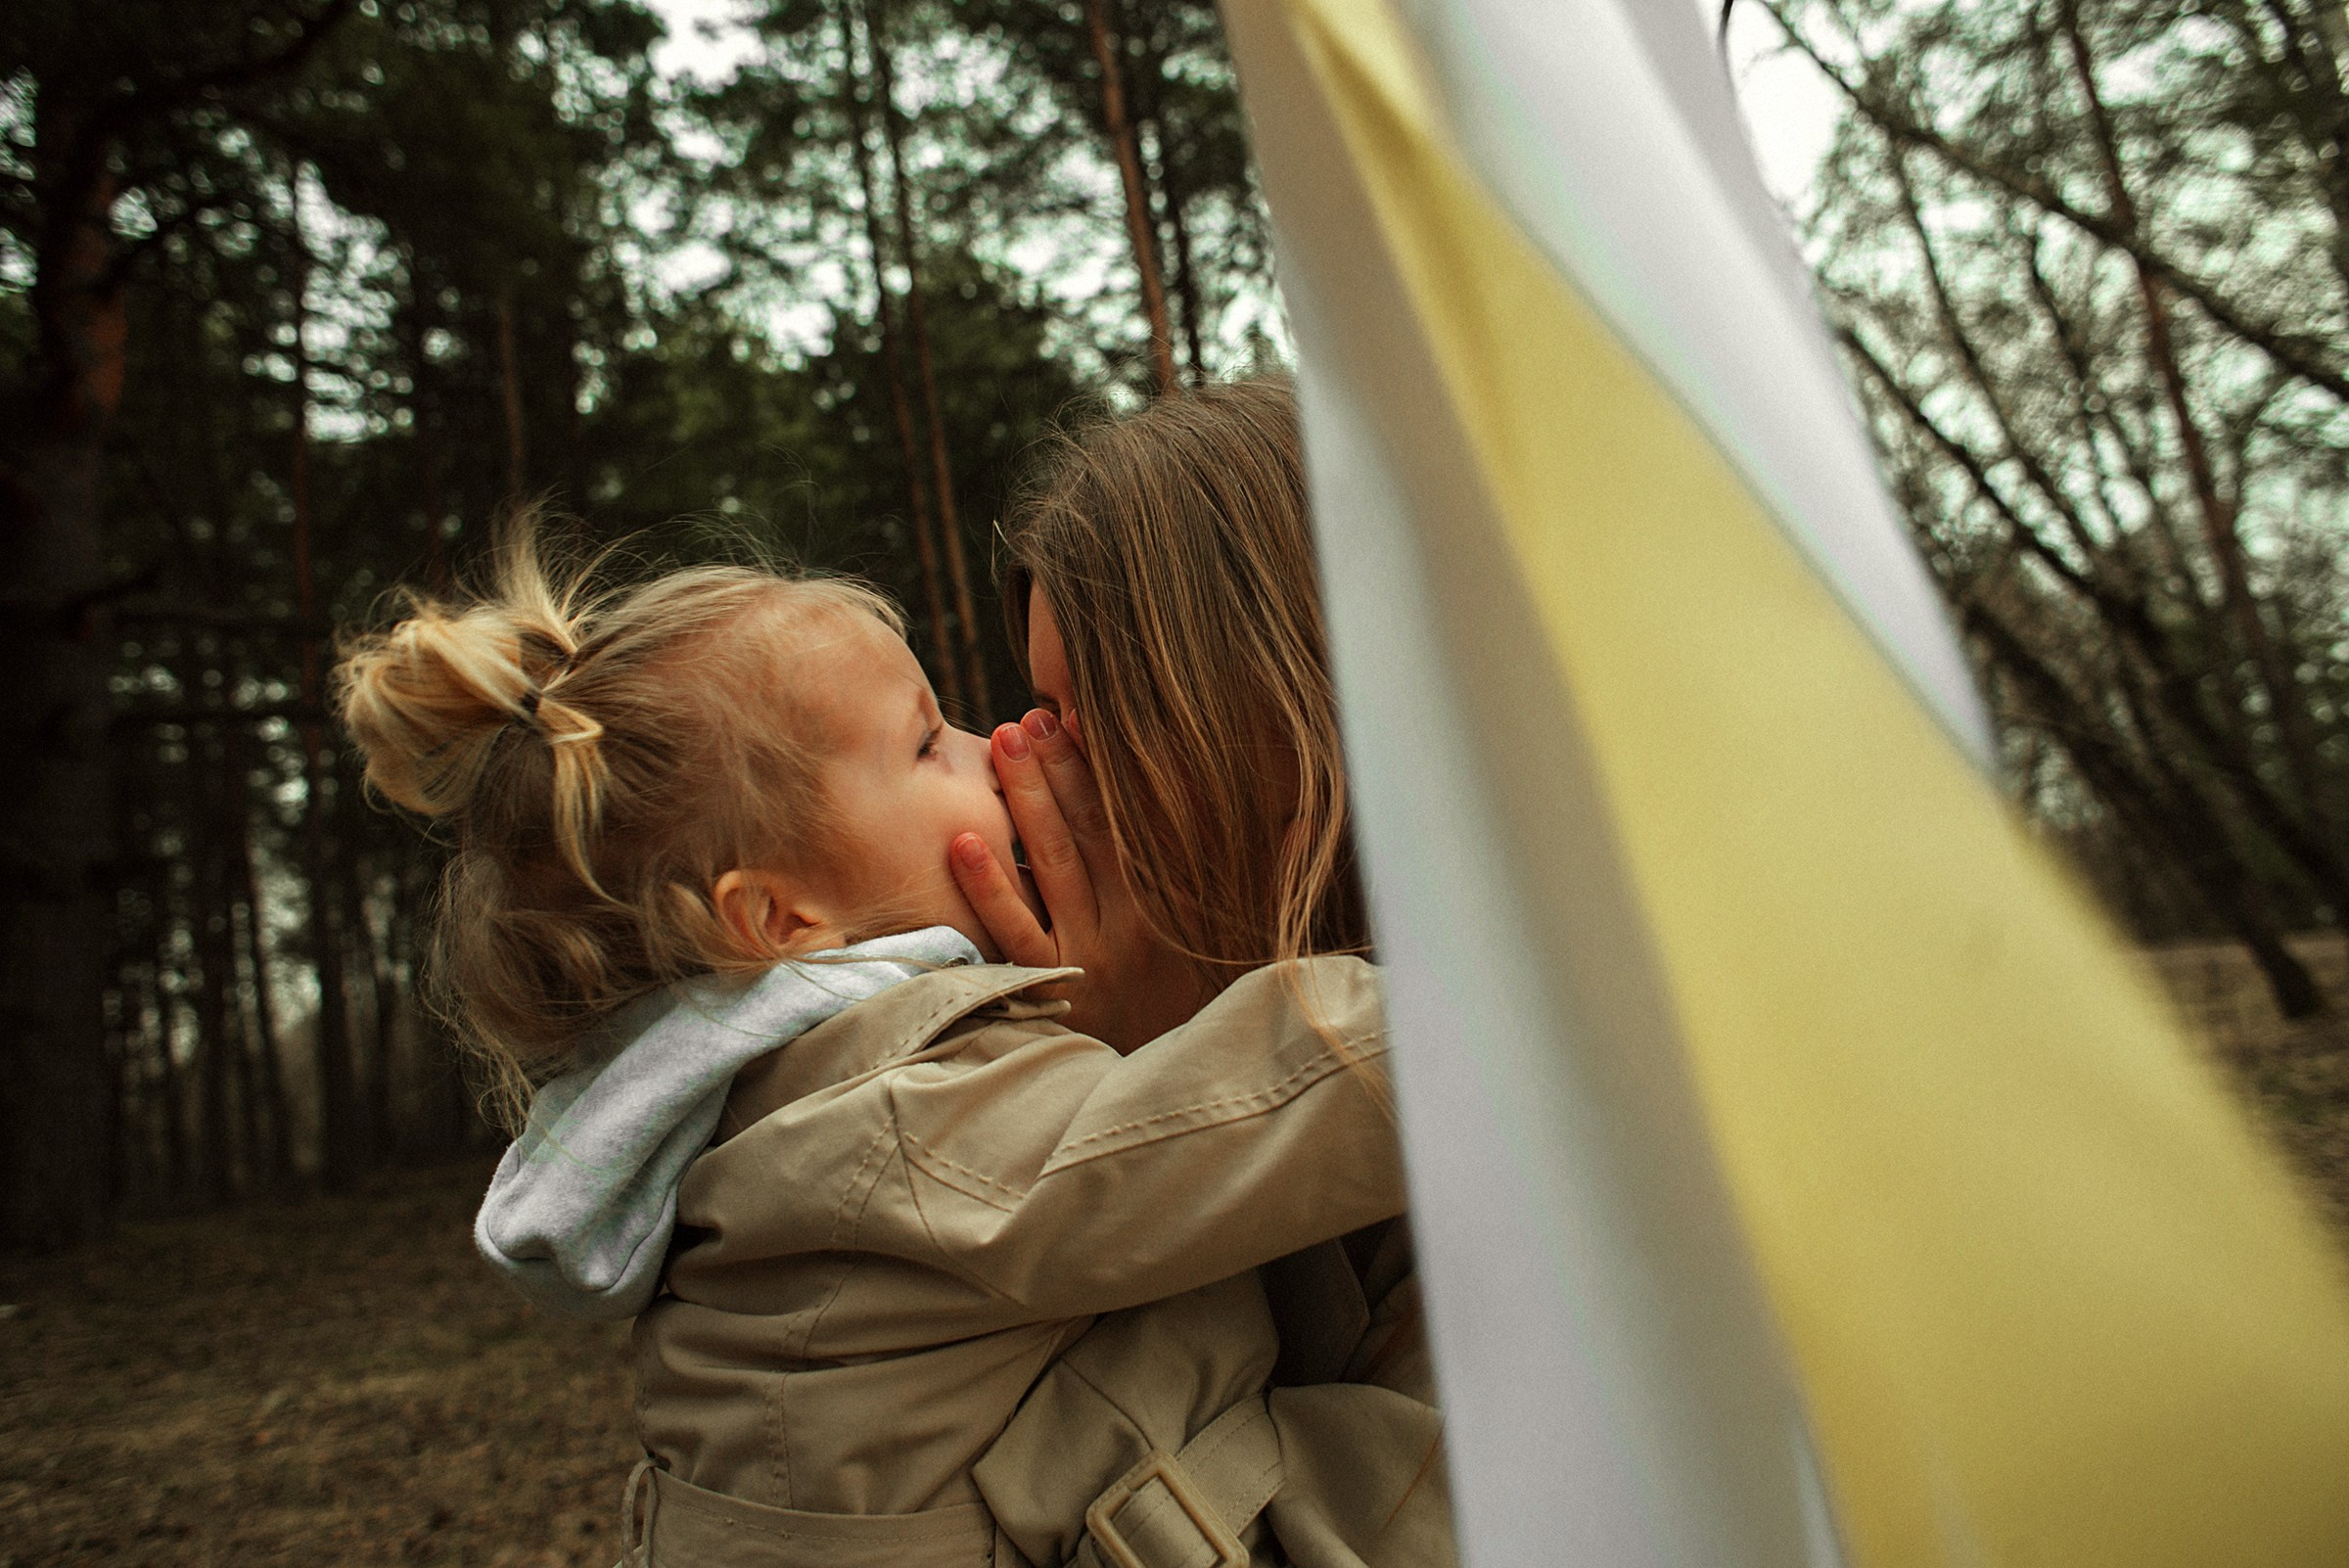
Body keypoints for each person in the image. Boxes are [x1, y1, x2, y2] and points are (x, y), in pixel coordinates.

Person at [333, 523, 1412, 1567]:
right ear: (778, 920)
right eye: (925, 742)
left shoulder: (792, 1115)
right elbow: (1289, 1102)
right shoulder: (891, 1123)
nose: (994, 748)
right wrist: (1478, 994)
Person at [949, 379, 1456, 1564]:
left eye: (1094, 714)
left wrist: (1162, 1089)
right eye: (1039, 709)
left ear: (1277, 702)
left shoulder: (1547, 1082)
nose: (1029, 763)